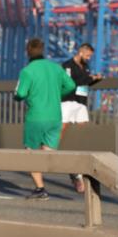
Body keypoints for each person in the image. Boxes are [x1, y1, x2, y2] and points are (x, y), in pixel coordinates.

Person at [15, 38, 76, 200]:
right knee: (49, 154)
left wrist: (18, 96)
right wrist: (58, 95)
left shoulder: (27, 71)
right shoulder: (56, 68)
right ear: (42, 50)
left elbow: (20, 93)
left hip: (36, 117)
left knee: (31, 155)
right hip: (55, 117)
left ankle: (40, 189)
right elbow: (71, 86)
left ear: (28, 51)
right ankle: (74, 169)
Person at [61, 43, 101, 194]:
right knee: (61, 129)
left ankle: (78, 160)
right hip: (68, 101)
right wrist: (87, 78)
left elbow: (85, 81)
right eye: (88, 55)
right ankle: (51, 152)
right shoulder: (68, 65)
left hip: (81, 102)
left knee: (82, 132)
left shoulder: (85, 67)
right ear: (81, 51)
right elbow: (68, 83)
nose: (89, 58)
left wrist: (94, 79)